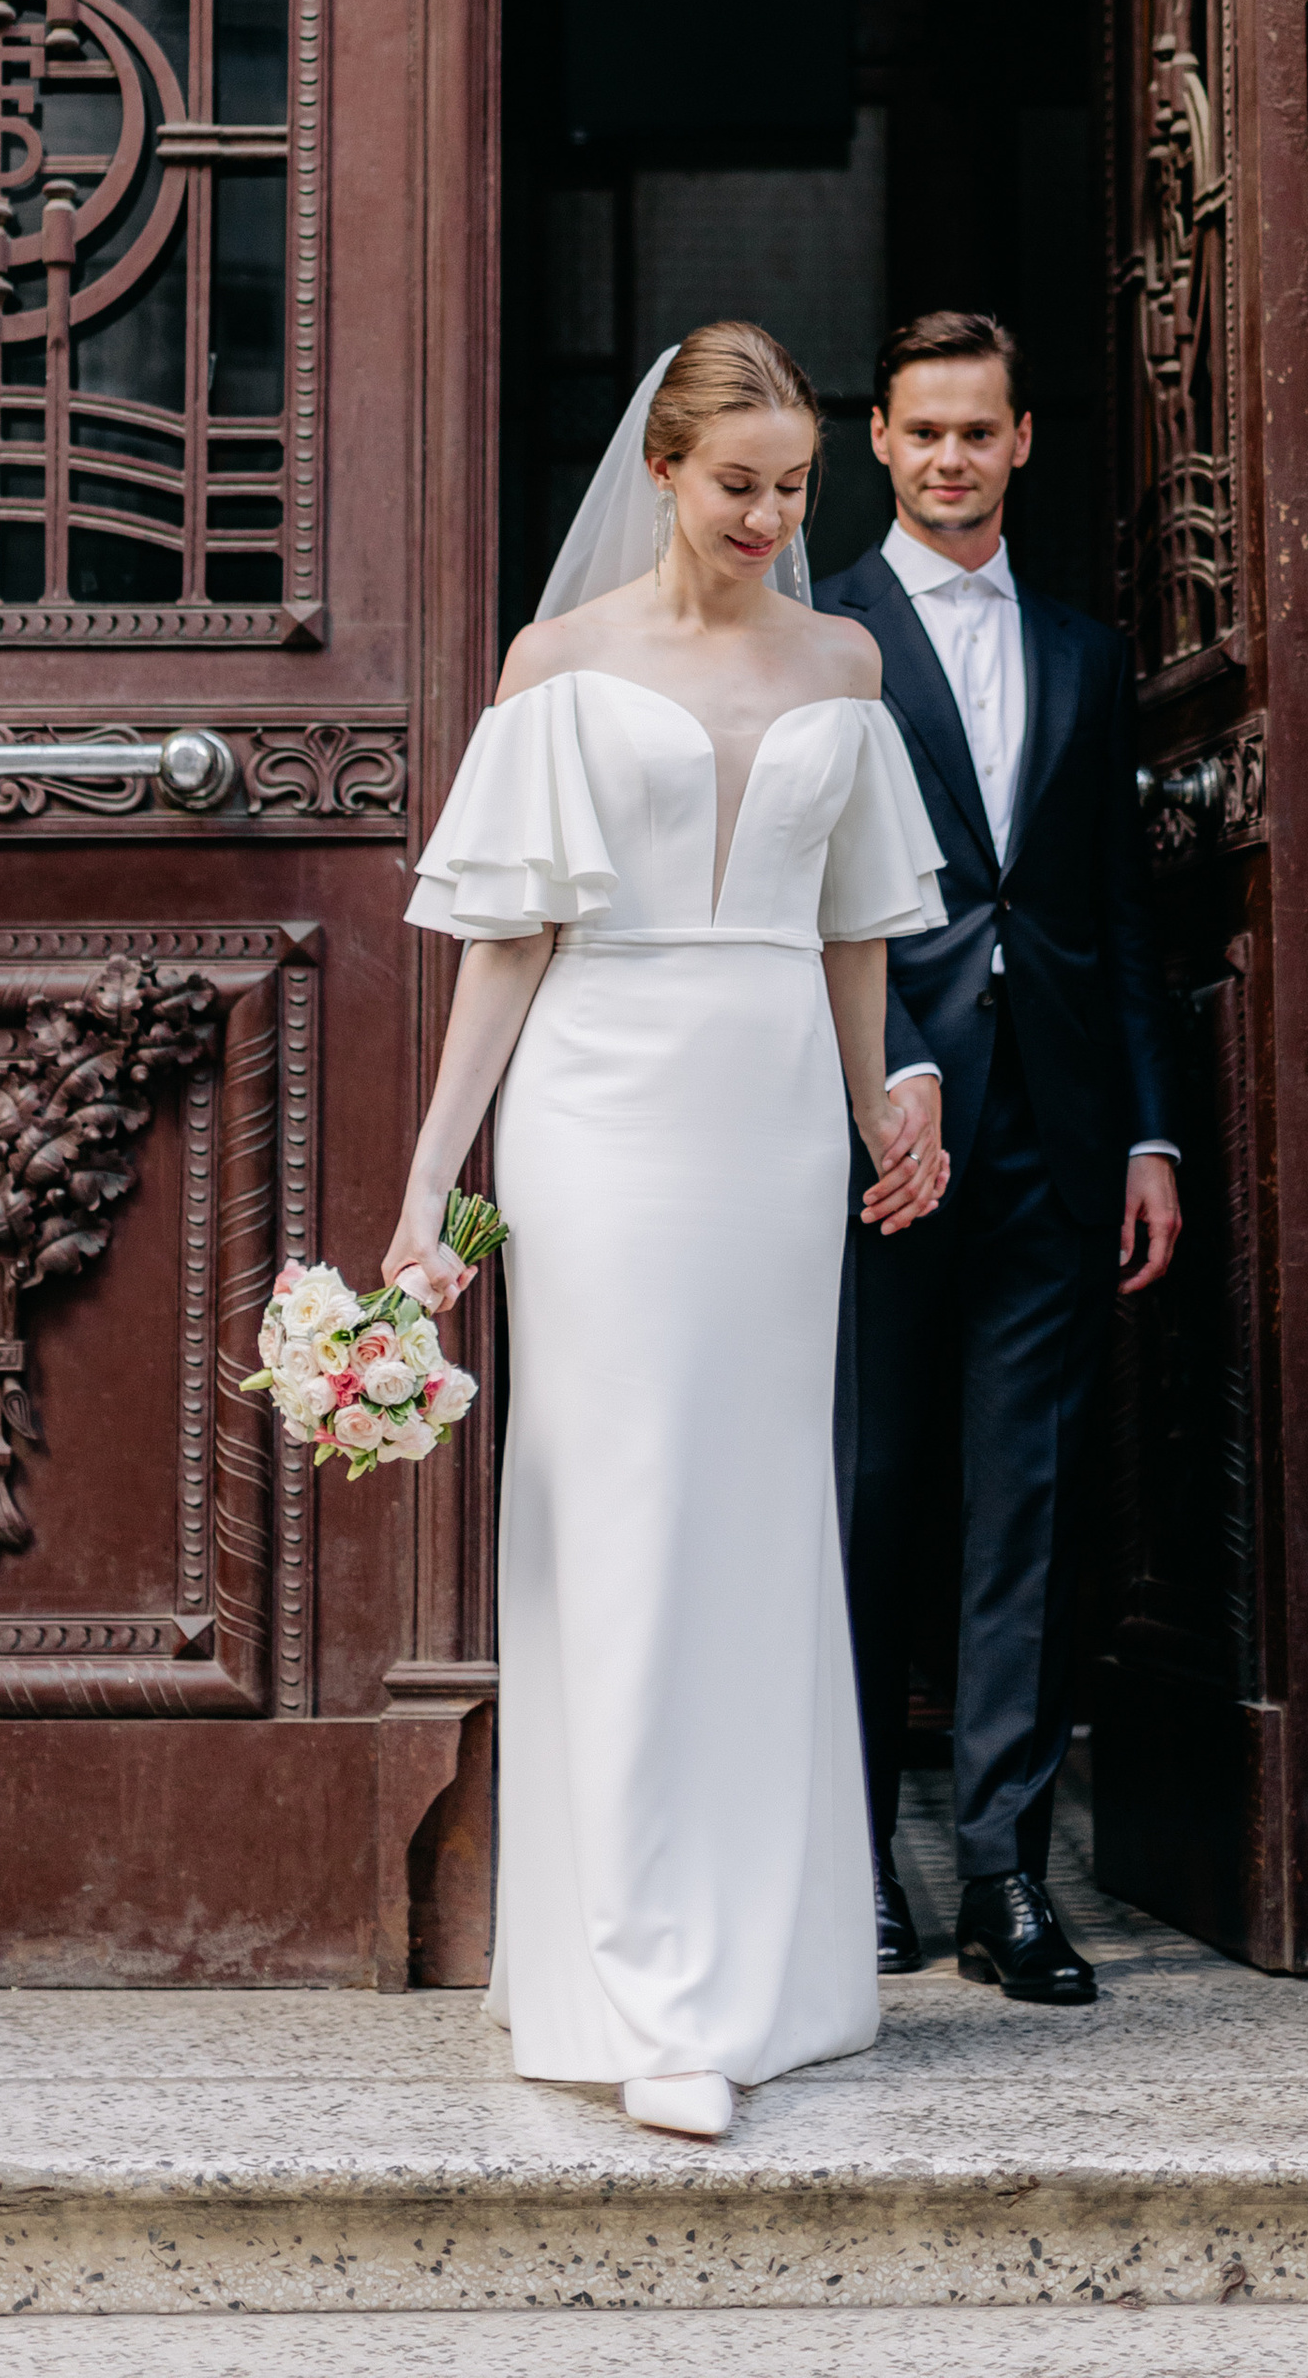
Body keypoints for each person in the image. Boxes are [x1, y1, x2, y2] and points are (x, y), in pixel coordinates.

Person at [385, 322, 953, 2143]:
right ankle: (633, 1983)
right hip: (599, 1110)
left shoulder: (849, 658)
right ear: (662, 472)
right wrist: (429, 1193)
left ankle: (771, 1968)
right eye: (739, 486)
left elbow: (860, 922)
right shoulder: (557, 662)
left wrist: (884, 1102)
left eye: (796, 489)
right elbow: (506, 947)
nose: (771, 519)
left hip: (773, 1117)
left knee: (757, 1515)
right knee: (617, 1514)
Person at [819, 307, 1182, 2006]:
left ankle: (1003, 1881)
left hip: (1051, 1133)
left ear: (1023, 440)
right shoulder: (819, 633)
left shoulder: (1091, 653)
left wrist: (1152, 1131)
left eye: (980, 430)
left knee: (1024, 1512)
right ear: (878, 443)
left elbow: (1110, 910)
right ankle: (854, 1864)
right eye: (923, 432)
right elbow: (799, 901)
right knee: (869, 1495)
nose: (952, 457)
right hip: (876, 1137)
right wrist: (875, 1084)